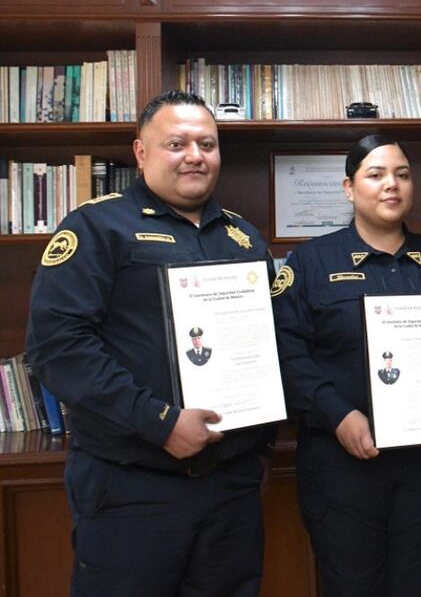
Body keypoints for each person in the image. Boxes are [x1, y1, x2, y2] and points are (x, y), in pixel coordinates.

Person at [25, 90, 278, 596]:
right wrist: (159, 423)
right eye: (176, 144)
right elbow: (59, 347)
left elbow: (269, 346)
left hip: (231, 484)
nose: (195, 156)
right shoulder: (96, 227)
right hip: (133, 485)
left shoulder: (245, 239)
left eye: (207, 144)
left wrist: (261, 447)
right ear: (141, 153)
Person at [272, 133, 421, 597]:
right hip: (342, 465)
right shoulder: (311, 264)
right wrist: (337, 414)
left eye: (402, 174)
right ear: (349, 188)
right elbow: (285, 351)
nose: (391, 185)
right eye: (375, 174)